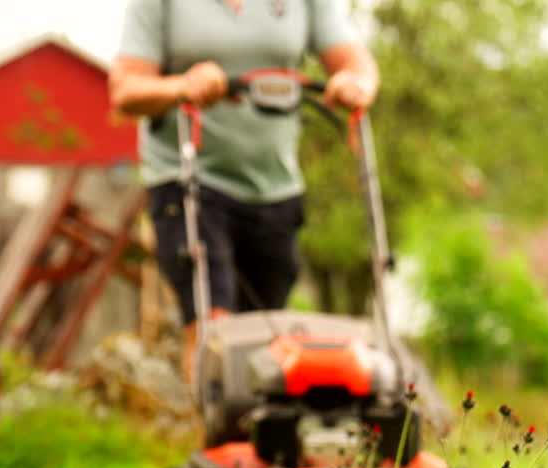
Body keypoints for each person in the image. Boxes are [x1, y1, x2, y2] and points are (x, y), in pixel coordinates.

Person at [109, 0, 379, 381]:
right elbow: (124, 89)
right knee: (214, 328)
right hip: (188, 180)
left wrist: (357, 83)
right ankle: (218, 434)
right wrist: (182, 85)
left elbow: (356, 62)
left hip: (275, 188)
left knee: (265, 336)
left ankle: (265, 436)